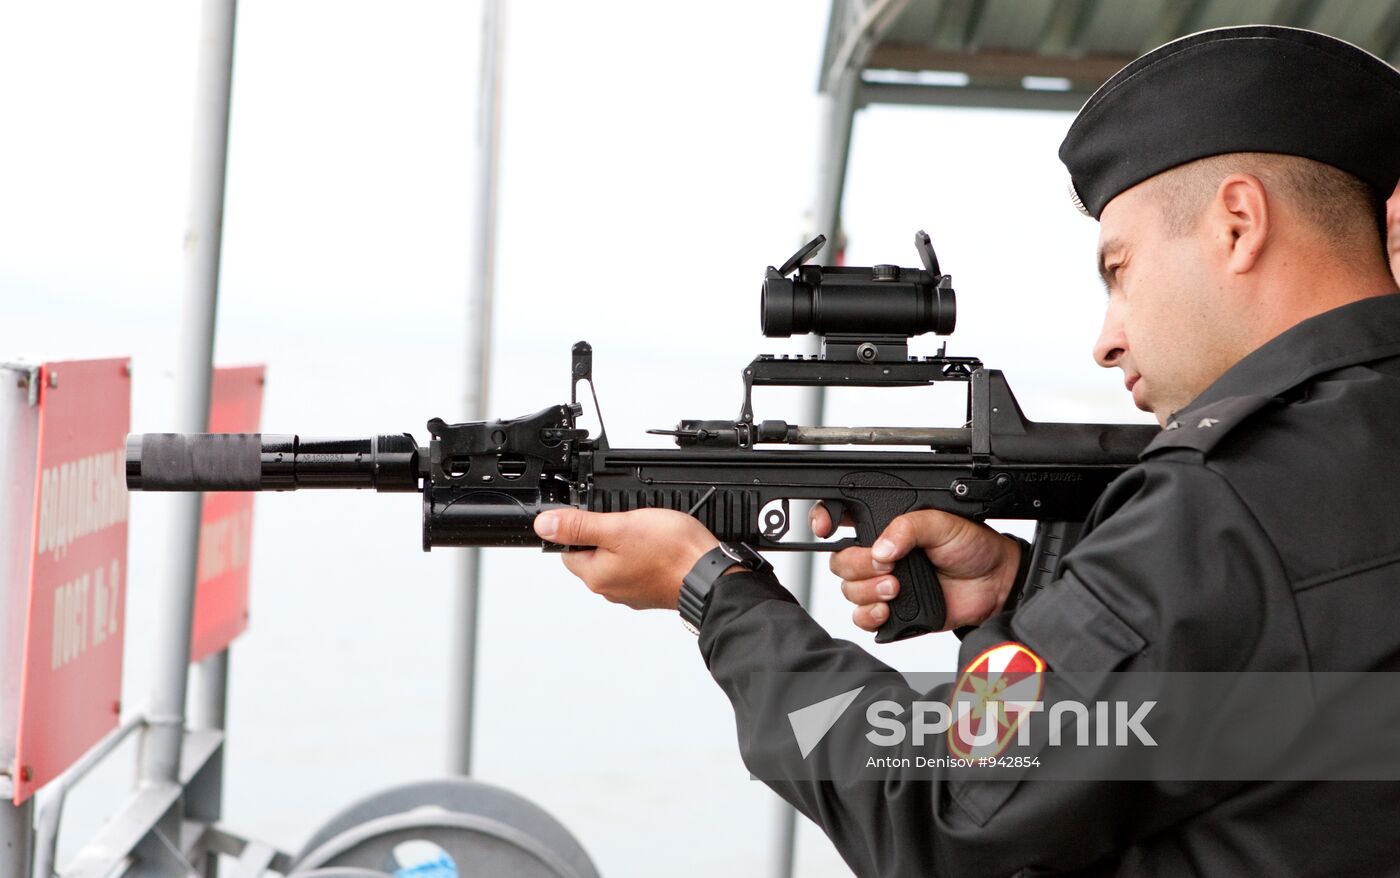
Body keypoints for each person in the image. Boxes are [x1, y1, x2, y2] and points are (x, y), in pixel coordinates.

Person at [534, 25, 1400, 876]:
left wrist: (717, 596)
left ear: (1239, 224)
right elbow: (1250, 707)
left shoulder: (1225, 503)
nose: (1107, 340)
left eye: (1120, 268)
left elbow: (945, 800)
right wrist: (1022, 595)